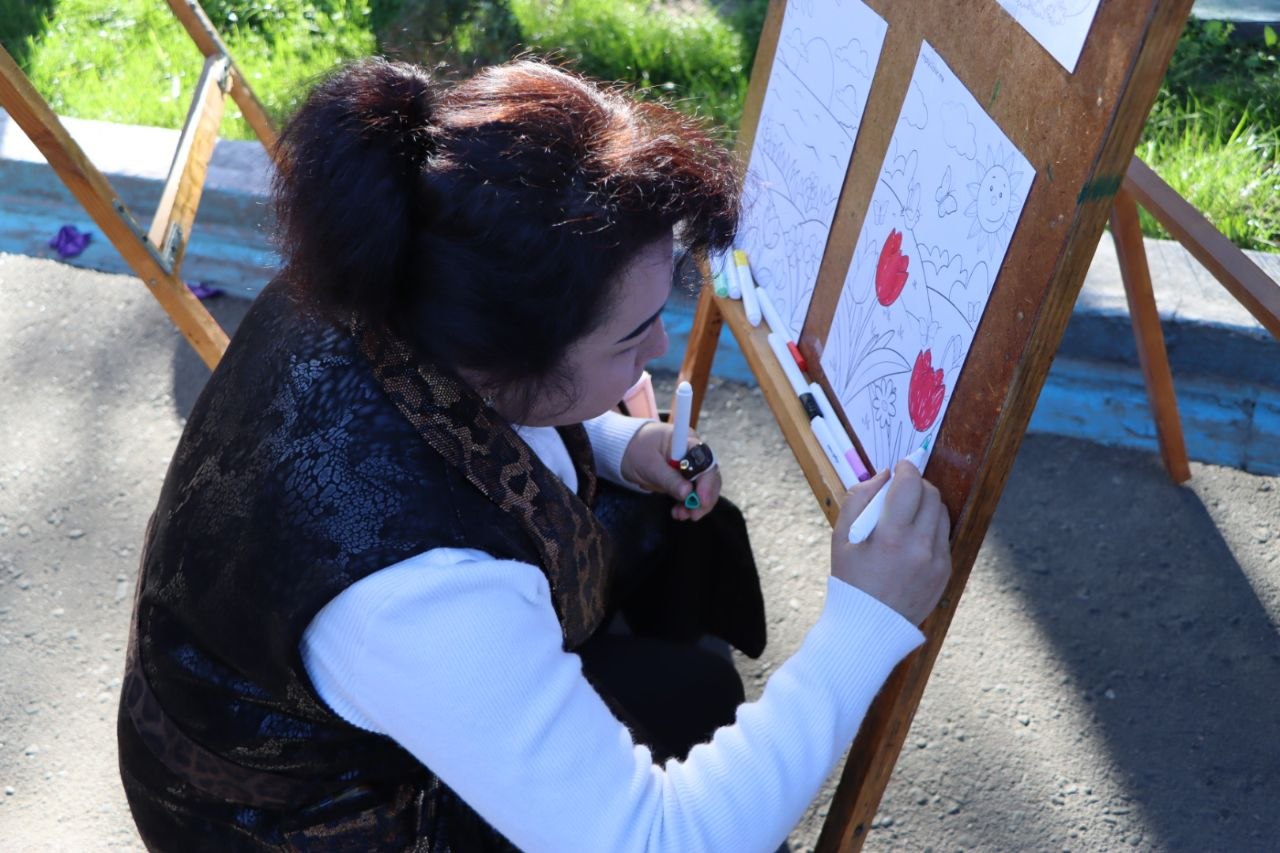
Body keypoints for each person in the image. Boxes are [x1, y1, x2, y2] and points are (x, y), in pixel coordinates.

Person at [116, 57, 951, 852]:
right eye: (631, 337)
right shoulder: (422, 593)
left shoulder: (381, 268)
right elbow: (663, 838)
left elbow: (461, 416)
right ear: (510, 350)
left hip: (302, 693)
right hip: (307, 821)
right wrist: (864, 622)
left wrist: (621, 445)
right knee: (692, 699)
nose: (660, 350)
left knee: (688, 664)